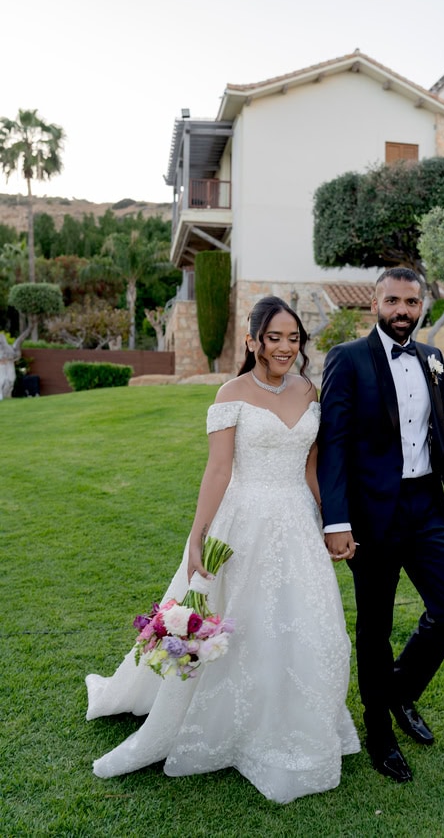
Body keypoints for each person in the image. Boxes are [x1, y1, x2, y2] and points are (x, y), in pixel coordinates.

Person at [86, 296, 359, 804]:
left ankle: (294, 717)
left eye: (293, 338)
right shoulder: (230, 394)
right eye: (274, 338)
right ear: (253, 341)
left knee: (305, 622)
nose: (285, 347)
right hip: (243, 520)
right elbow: (218, 470)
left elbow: (311, 467)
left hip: (297, 521)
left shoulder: (308, 389)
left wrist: (331, 521)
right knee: (242, 620)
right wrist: (197, 536)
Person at [317, 268, 444, 784]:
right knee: (375, 627)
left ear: (421, 305)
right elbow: (332, 445)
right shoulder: (346, 359)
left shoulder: (432, 358)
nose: (402, 310)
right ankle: (380, 733)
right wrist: (336, 520)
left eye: (410, 302)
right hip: (372, 515)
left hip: (427, 506)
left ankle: (400, 691)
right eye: (392, 300)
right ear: (375, 304)